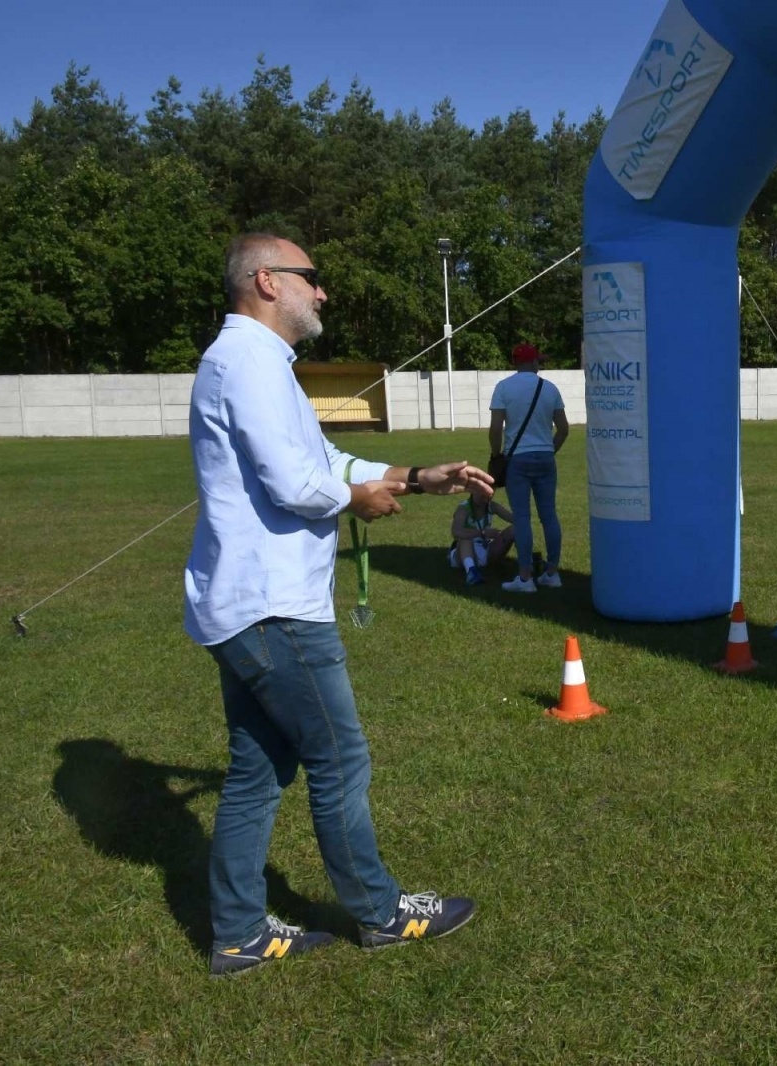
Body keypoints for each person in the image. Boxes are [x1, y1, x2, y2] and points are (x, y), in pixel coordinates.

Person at [185, 232, 488, 977]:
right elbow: (299, 483)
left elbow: (322, 460)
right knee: (340, 758)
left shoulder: (262, 366)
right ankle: (381, 914)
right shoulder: (246, 363)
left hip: (250, 605)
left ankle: (237, 933)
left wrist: (418, 476)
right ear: (265, 281)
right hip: (274, 609)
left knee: (258, 772)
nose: (320, 292)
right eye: (309, 278)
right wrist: (357, 498)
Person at [489, 341, 570, 593]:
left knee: (522, 518)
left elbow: (495, 428)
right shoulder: (550, 388)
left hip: (517, 461)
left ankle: (525, 577)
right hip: (546, 458)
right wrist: (549, 449)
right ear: (534, 362)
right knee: (549, 516)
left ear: (515, 362)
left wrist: (496, 455)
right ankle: (552, 573)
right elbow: (563, 429)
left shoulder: (503, 387)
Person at [449, 491, 515, 585]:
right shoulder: (464, 508)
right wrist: (483, 533)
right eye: (482, 495)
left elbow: (513, 518)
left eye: (489, 496)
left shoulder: (491, 506)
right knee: (465, 538)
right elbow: (456, 532)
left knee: (515, 529)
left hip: (486, 549)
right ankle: (471, 572)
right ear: (474, 489)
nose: (485, 500)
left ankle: (527, 564)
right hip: (465, 552)